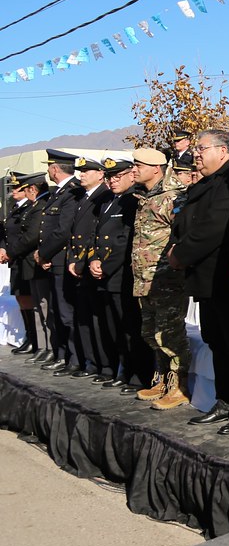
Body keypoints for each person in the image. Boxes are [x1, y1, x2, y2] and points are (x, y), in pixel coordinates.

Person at [168, 129, 229, 433]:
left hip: (224, 277)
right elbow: (185, 221)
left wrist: (181, 254)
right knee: (217, 342)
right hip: (205, 277)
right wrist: (177, 246)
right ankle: (225, 400)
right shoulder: (206, 181)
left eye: (201, 148)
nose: (196, 153)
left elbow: (213, 227)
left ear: (222, 151)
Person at [131, 147, 191, 410]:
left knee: (170, 334)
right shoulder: (144, 196)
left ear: (156, 169)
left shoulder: (173, 196)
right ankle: (163, 380)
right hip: (145, 277)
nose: (134, 170)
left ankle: (179, 386)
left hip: (166, 278)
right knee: (150, 332)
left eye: (139, 166)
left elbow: (181, 234)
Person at [90, 158, 152, 393]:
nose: (112, 181)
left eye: (117, 176)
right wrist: (94, 259)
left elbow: (125, 240)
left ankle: (139, 375)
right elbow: (98, 236)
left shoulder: (132, 200)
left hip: (121, 274)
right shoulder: (109, 201)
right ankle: (124, 370)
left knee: (130, 329)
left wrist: (105, 266)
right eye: (109, 177)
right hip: (105, 274)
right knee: (114, 327)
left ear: (130, 175)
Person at [63, 157, 113, 380]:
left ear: (100, 174)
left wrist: (83, 261)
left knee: (97, 318)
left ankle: (106, 365)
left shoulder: (104, 196)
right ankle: (91, 362)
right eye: (80, 171)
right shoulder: (83, 197)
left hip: (92, 263)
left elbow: (94, 234)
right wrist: (73, 259)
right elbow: (74, 234)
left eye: (87, 171)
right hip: (78, 264)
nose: (81, 174)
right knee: (83, 317)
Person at [35, 149, 84, 375]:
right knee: (57, 311)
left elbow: (63, 231)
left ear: (54, 169)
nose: (48, 171)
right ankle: (62, 355)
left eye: (49, 167)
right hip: (54, 261)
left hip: (63, 260)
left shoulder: (72, 192)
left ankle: (74, 359)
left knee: (66, 313)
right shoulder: (60, 193)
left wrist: (43, 253)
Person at [10, 174, 52, 363]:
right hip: (28, 263)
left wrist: (11, 251)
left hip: (37, 263)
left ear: (32, 189)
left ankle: (49, 346)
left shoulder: (40, 206)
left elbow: (32, 236)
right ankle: (41, 346)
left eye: (24, 189)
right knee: (37, 307)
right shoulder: (34, 206)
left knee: (44, 306)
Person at [1, 174, 38, 355]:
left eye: (17, 188)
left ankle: (34, 340)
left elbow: (27, 236)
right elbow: (6, 233)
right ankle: (29, 337)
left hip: (24, 258)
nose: (13, 191)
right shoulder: (15, 208)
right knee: (20, 298)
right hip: (15, 259)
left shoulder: (30, 208)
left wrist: (10, 252)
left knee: (27, 298)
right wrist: (3, 248)